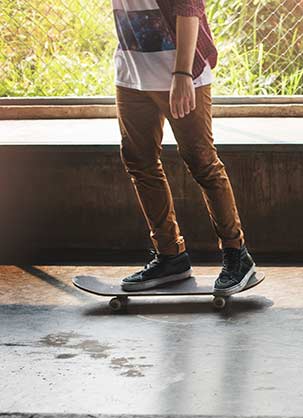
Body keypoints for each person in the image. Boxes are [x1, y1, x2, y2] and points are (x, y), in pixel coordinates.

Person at [112, 0, 256, 294]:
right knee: (140, 164)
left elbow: (189, 8)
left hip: (181, 72)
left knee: (201, 161)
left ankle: (236, 254)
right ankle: (170, 256)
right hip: (132, 70)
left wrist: (183, 73)